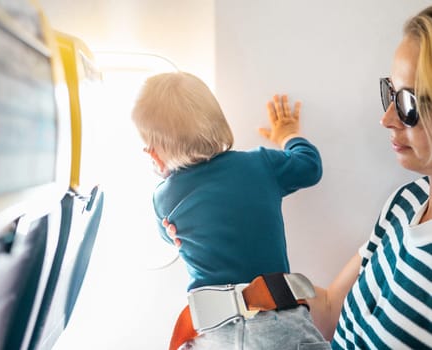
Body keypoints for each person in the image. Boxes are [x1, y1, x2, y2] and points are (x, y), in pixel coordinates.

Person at [131, 71, 329, 349]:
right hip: (279, 324)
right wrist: (288, 134)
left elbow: (169, 238)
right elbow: (310, 167)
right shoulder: (260, 165)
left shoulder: (164, 198)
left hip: (214, 334)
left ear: (153, 153)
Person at [307, 6, 432, 349]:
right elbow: (331, 309)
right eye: (389, 93)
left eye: (407, 103)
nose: (386, 118)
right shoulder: (404, 202)